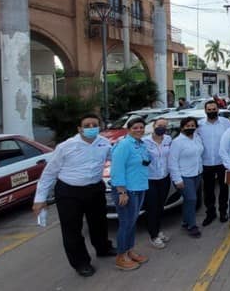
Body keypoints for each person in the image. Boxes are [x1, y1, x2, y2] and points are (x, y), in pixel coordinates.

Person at [32, 114, 116, 277]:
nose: (91, 128)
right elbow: (49, 173)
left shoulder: (104, 143)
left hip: (95, 189)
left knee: (99, 222)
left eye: (94, 125)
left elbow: (117, 160)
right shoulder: (66, 146)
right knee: (72, 230)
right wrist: (39, 199)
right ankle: (81, 262)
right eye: (87, 125)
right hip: (69, 192)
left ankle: (103, 248)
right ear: (79, 128)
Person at [109, 117, 150, 271]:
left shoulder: (141, 144)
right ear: (128, 129)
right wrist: (121, 192)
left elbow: (145, 161)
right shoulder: (124, 145)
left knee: (132, 222)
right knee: (126, 223)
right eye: (135, 128)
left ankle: (129, 250)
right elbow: (116, 170)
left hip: (140, 187)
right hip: (127, 190)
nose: (139, 130)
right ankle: (121, 256)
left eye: (141, 127)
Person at [198, 100, 230, 226]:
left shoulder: (226, 123)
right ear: (205, 111)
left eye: (214, 109)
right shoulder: (199, 125)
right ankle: (210, 213)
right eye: (209, 109)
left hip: (222, 162)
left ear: (218, 110)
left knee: (224, 189)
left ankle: (223, 212)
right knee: (208, 190)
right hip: (206, 163)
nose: (212, 111)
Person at [169, 117, 205, 237]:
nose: (190, 128)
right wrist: (177, 179)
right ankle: (192, 226)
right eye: (187, 126)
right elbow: (172, 162)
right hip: (184, 176)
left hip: (197, 174)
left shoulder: (197, 138)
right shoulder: (177, 142)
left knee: (188, 201)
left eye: (192, 125)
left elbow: (199, 155)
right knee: (192, 199)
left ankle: (185, 221)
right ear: (182, 127)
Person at [142, 118, 173, 248]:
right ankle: (153, 236)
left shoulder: (168, 139)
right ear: (153, 126)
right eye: (159, 125)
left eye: (164, 126)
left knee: (160, 207)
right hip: (150, 179)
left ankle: (158, 230)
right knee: (152, 208)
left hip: (164, 178)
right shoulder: (144, 141)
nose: (162, 128)